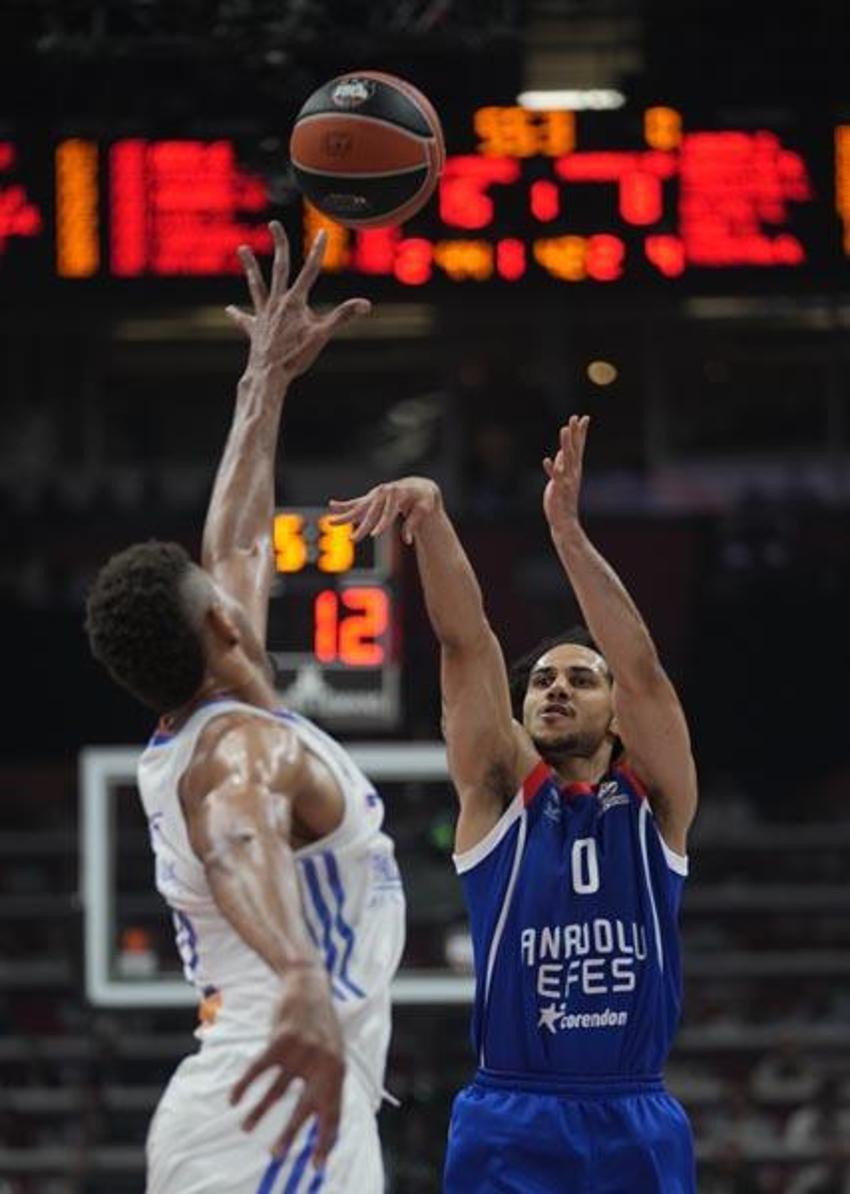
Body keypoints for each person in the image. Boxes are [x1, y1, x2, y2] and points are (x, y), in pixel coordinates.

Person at [84, 223, 405, 1193]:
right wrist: (299, 971)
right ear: (223, 625)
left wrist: (262, 381)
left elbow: (236, 540)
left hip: (280, 1094)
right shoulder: (236, 749)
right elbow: (237, 837)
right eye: (222, 593)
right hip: (274, 1103)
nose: (235, 579)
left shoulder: (216, 706)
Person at [330, 415, 698, 1192]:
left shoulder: (657, 803)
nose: (555, 688)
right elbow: (467, 644)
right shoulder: (500, 798)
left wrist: (568, 535)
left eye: (580, 679)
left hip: (635, 1112)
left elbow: (642, 671)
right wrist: (431, 516)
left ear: (617, 716)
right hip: (514, 1112)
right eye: (541, 681)